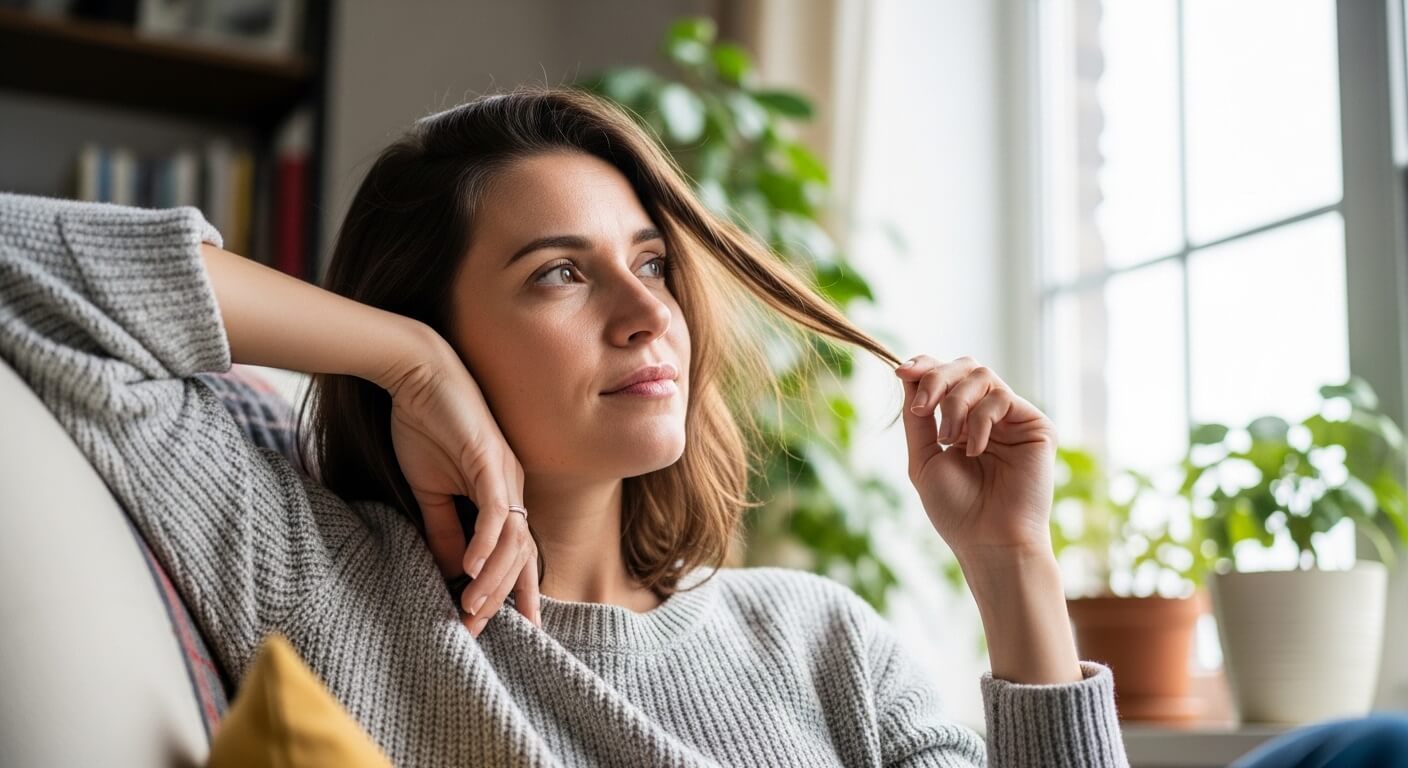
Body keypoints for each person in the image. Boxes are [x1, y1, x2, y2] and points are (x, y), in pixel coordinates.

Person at [0, 86, 1128, 766]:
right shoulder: (312, 567)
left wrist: (1009, 561)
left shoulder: (821, 641)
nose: (649, 314)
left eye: (649, 263)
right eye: (557, 276)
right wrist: (407, 359)